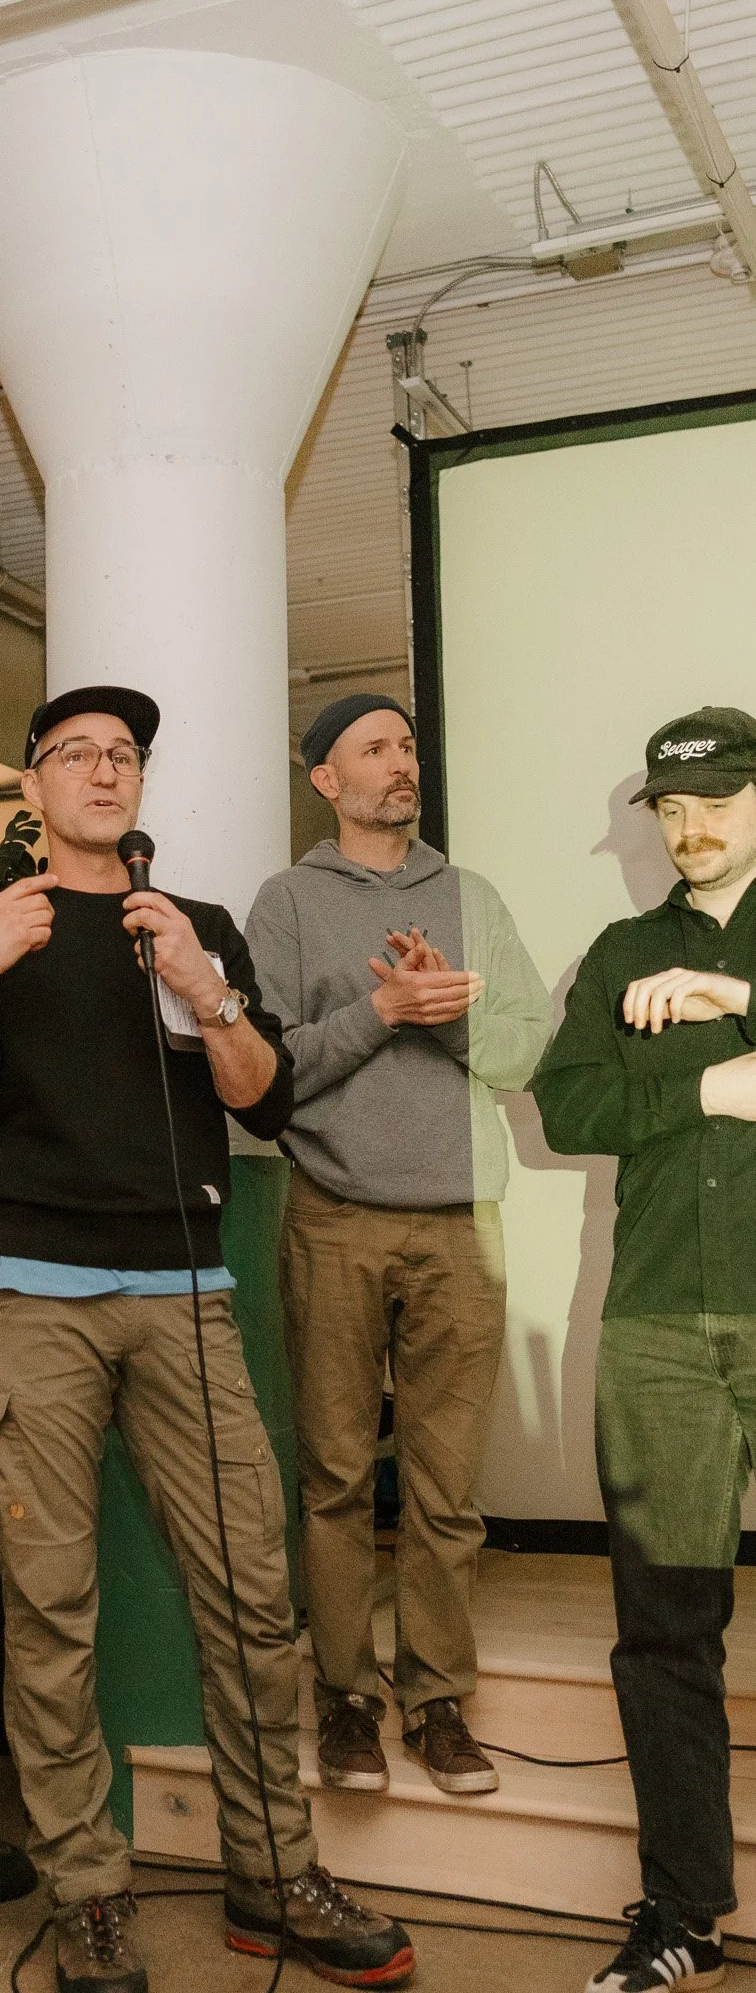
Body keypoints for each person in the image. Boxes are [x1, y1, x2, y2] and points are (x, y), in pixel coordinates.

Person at [0, 684, 416, 1993]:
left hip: (181, 1291)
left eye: (122, 755)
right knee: (49, 1613)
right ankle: (88, 1895)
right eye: (74, 754)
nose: (102, 770)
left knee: (250, 1593)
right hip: (27, 1297)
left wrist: (206, 988)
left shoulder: (195, 927)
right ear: (33, 790)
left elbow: (262, 1094)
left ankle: (273, 1874)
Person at [246, 693, 552, 1800]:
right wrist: (385, 1009)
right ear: (325, 778)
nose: (400, 762)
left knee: (446, 1486)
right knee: (332, 1476)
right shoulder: (286, 901)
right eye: (374, 748)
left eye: (408, 744)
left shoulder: (471, 895)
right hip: (333, 1214)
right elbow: (262, 1076)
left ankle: (436, 1701)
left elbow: (527, 1052)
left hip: (464, 1219)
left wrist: (451, 1012)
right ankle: (343, 1695)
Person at [533, 705, 756, 1993]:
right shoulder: (622, 949)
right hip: (662, 1325)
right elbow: (569, 1101)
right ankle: (684, 1907)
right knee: (667, 1627)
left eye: (719, 799)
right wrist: (707, 1087)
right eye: (672, 808)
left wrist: (735, 995)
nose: (693, 827)